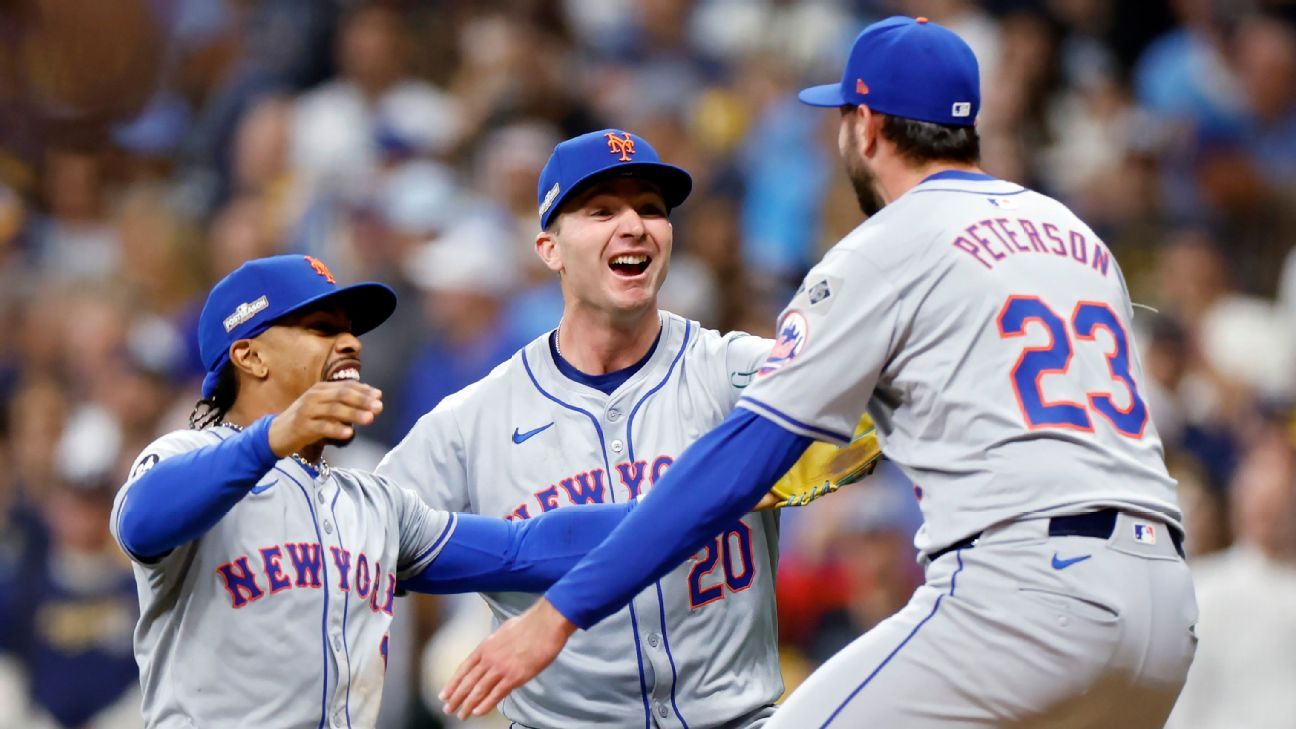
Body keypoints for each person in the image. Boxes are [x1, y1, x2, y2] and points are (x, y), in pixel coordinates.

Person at [440, 17, 1198, 728]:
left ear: (866, 126)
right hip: (1164, 607)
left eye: (841, 116)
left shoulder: (888, 245)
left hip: (1026, 596)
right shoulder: (1073, 233)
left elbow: (737, 464)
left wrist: (557, 611)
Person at [108, 254, 643, 729]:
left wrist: (685, 511)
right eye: (320, 328)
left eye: (350, 330)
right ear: (250, 356)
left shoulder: (373, 503)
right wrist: (271, 439)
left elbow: (524, 550)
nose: (350, 343)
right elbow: (141, 523)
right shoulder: (184, 456)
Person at [379, 129, 784, 728]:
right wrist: (513, 560)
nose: (635, 225)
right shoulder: (475, 420)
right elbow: (368, 537)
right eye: (601, 211)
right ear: (550, 248)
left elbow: (864, 412)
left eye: (651, 209)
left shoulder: (736, 372)